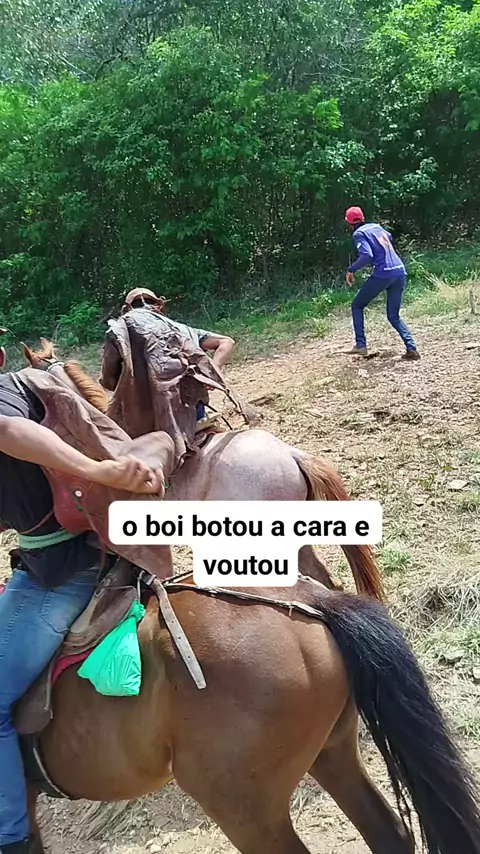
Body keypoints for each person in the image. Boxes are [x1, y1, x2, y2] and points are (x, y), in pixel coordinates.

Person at [0, 370, 164, 854]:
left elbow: (7, 430)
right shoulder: (33, 385)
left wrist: (100, 472)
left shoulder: (5, 397)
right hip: (95, 549)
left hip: (62, 570)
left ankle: (12, 839)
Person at [104, 288, 236, 422]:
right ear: (159, 306)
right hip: (192, 408)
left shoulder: (120, 331)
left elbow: (108, 381)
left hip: (147, 416)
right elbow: (226, 342)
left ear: (127, 309)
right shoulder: (183, 329)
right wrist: (211, 373)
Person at [344, 207, 420, 360]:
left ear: (350, 223)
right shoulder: (376, 227)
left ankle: (360, 345)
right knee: (393, 316)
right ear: (362, 218)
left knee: (357, 305)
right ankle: (411, 348)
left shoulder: (359, 234)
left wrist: (351, 269)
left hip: (383, 273)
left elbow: (366, 255)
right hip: (399, 271)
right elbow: (389, 237)